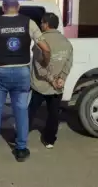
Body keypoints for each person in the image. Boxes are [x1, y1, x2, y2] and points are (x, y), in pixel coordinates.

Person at [0, 0, 51, 162]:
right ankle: (21, 149)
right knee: (21, 110)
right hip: (22, 73)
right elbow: (45, 48)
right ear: (18, 7)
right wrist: (45, 62)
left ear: (3, 7)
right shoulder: (29, 22)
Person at [28, 12, 73, 149]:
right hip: (57, 87)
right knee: (53, 114)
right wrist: (62, 79)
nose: (41, 25)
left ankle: (22, 134)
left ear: (46, 24)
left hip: (40, 86)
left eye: (42, 22)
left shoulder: (40, 42)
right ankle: (50, 140)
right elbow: (68, 63)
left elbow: (39, 66)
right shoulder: (66, 42)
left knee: (31, 112)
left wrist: (51, 79)